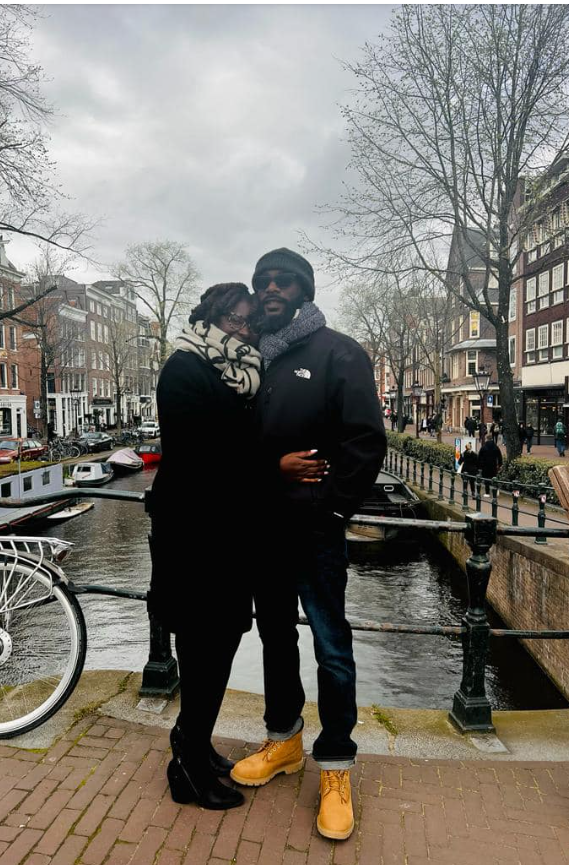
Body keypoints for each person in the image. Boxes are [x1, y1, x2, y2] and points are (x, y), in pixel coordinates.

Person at [231, 249, 386, 841]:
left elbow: (365, 442)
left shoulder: (339, 353)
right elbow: (234, 444)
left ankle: (338, 765)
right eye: (263, 280)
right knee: (273, 636)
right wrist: (271, 471)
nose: (271, 288)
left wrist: (333, 511)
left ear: (304, 289)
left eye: (283, 280)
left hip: (315, 531)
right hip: (261, 527)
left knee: (331, 646)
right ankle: (284, 740)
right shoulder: (248, 361)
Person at [149, 283, 266, 812]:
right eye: (234, 321)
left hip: (228, 530)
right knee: (204, 639)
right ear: (211, 318)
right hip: (195, 533)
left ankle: (192, 741)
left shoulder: (234, 373)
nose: (242, 331)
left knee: (222, 636)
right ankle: (188, 763)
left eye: (247, 324)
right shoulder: (185, 368)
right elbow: (205, 452)